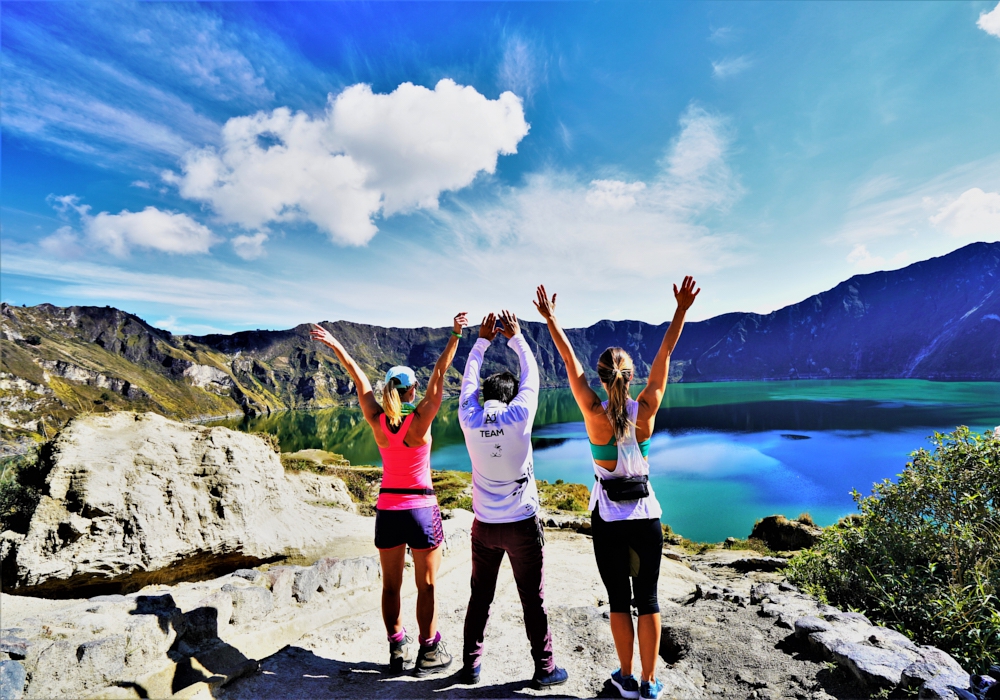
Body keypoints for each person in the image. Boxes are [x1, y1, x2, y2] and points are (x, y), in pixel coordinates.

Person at [533, 278, 700, 700]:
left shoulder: (592, 412)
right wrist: (680, 310)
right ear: (630, 376)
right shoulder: (645, 409)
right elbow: (665, 354)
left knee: (619, 602)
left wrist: (552, 320)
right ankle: (648, 683)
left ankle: (625, 677)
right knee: (649, 599)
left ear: (603, 377)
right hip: (646, 520)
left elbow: (570, 363)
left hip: (607, 520)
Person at [310, 312, 468, 676]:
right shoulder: (421, 418)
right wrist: (456, 334)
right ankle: (429, 651)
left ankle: (398, 649)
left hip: (388, 509)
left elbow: (358, 378)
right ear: (412, 390)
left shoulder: (376, 419)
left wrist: (337, 347)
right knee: (426, 584)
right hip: (421, 508)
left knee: (391, 585)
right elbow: (441, 376)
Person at [457, 310, 568, 689]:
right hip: (521, 524)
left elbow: (468, 382)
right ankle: (545, 669)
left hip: (484, 526)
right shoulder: (519, 417)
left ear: (484, 396)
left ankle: (471, 666)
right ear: (511, 395)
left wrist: (482, 341)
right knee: (532, 600)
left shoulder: (469, 419)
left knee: (479, 597)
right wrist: (516, 338)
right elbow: (533, 377)